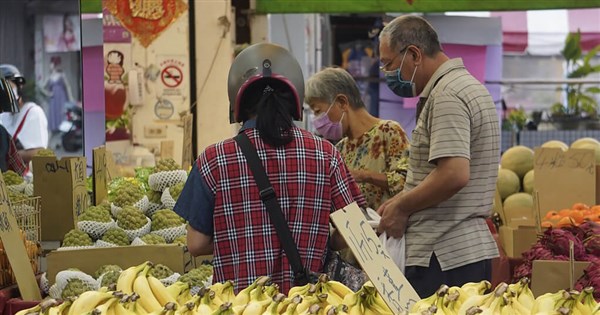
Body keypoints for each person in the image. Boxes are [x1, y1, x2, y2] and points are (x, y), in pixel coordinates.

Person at [173, 43, 366, 293]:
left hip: (240, 306)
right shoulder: (326, 154)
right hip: (307, 306)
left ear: (237, 102)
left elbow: (196, 244)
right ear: (294, 97)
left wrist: (238, 238)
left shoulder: (213, 159)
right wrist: (318, 240)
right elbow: (354, 227)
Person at [376, 15, 500, 298]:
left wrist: (402, 207)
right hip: (459, 254)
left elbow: (453, 173)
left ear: (414, 54)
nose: (387, 73)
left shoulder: (447, 95)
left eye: (389, 63)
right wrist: (398, 200)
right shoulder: (468, 87)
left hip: (444, 257)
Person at [306, 67, 409, 210]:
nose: (317, 121)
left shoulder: (388, 131)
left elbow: (408, 183)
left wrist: (364, 176)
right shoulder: (340, 148)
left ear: (342, 102)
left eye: (318, 111)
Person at [0, 64, 49, 166]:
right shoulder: (4, 115)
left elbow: (39, 152)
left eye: (8, 85)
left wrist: (6, 156)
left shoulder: (33, 112)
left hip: (27, 178)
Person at [42, 56, 74, 133]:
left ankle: (62, 131)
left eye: (51, 63)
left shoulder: (61, 75)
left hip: (61, 98)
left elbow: (67, 86)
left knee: (61, 113)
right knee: (54, 114)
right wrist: (48, 94)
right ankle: (54, 130)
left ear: (54, 64)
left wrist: (71, 99)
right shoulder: (49, 77)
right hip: (53, 99)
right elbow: (42, 88)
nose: (50, 65)